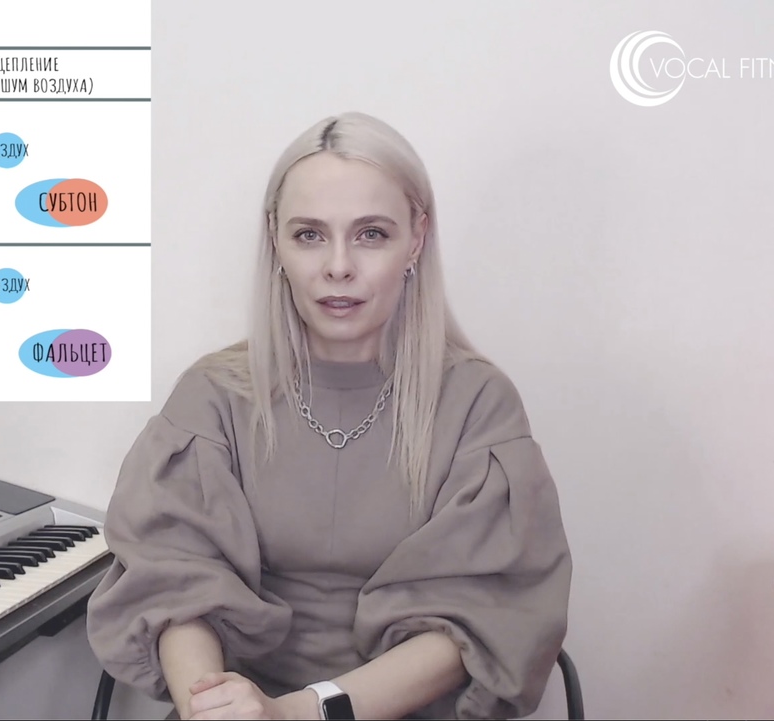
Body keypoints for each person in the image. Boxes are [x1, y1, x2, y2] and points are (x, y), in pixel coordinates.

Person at [86, 112, 572, 720]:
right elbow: (174, 582)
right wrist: (211, 704)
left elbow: (479, 617)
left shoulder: (479, 402)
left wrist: (298, 713)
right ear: (276, 240)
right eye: (310, 235)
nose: (338, 266)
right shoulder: (212, 395)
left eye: (371, 234)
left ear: (416, 238)